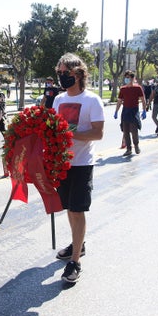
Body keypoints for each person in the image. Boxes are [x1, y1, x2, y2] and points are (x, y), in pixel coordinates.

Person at [52, 53, 105, 284]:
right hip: (62, 163)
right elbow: (52, 129)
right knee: (69, 208)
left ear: (78, 74)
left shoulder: (92, 100)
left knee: (77, 209)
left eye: (66, 73)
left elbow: (98, 133)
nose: (62, 76)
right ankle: (77, 244)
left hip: (82, 163)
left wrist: (69, 133)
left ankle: (75, 261)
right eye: (59, 73)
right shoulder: (58, 99)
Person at [114, 70, 147, 155]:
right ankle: (128, 149)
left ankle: (136, 145)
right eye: (126, 77)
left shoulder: (137, 88)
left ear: (132, 78)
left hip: (134, 110)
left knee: (134, 130)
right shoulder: (123, 89)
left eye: (128, 77)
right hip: (125, 110)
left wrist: (144, 110)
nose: (126, 79)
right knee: (125, 131)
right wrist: (116, 111)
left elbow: (143, 100)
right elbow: (119, 101)